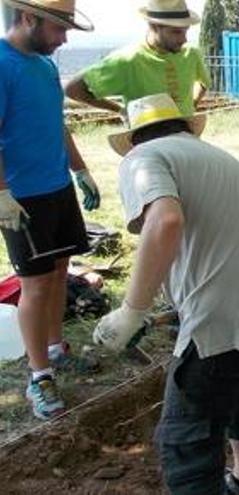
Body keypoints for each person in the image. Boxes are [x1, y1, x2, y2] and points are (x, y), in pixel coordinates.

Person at [91, 93, 239, 495]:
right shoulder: (218, 158)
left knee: (186, 440)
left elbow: (165, 222)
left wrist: (131, 311)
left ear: (134, 139)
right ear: (183, 127)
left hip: (223, 306)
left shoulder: (143, 157)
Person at [0, 0, 101, 421]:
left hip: (58, 188)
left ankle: (56, 349)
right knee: (35, 284)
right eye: (58, 29)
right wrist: (1, 193)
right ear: (28, 18)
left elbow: (57, 124)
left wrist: (81, 170)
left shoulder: (42, 67)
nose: (63, 39)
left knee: (61, 270)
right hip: (22, 197)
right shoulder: (2, 66)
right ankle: (38, 377)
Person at [64, 0, 209, 118]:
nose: (184, 39)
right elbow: (73, 89)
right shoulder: (128, 60)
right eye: (176, 32)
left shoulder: (191, 53)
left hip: (187, 135)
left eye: (185, 31)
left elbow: (204, 83)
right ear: (154, 27)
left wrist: (192, 106)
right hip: (148, 143)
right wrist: (120, 110)